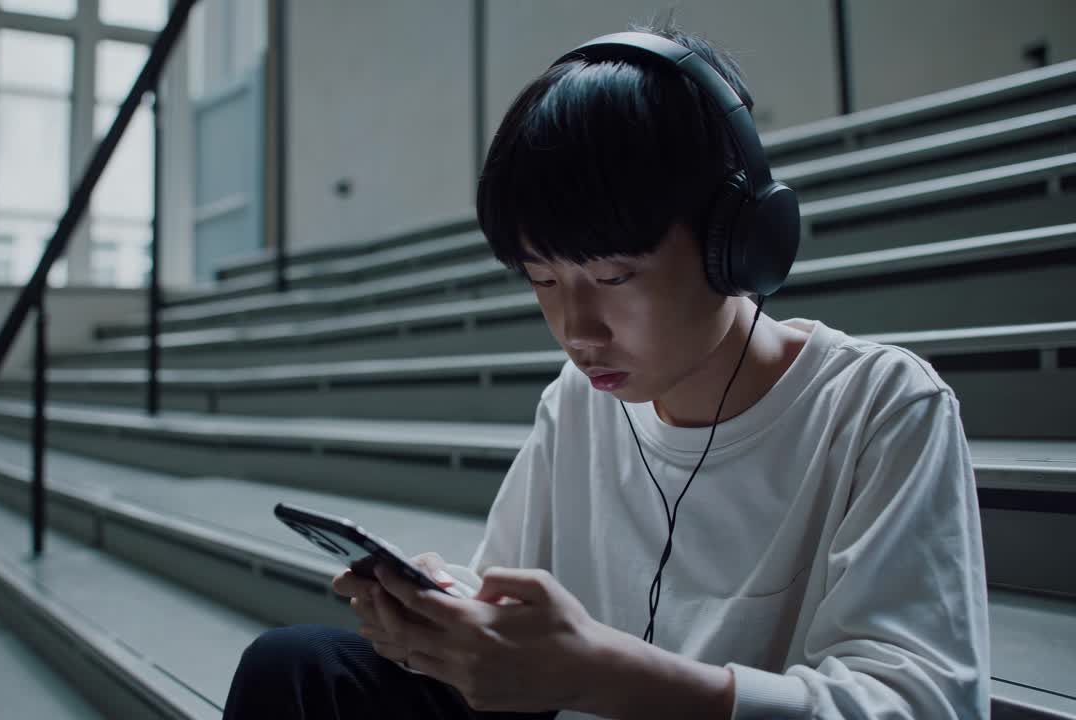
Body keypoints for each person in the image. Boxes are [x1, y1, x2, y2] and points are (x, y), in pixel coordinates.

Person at [221, 14, 990, 720]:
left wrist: (606, 674)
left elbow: (923, 704)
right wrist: (445, 616)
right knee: (297, 669)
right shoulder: (580, 400)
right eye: (543, 281)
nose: (576, 330)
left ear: (736, 245)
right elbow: (514, 608)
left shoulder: (880, 406)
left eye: (615, 278)